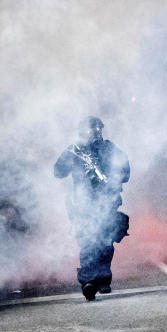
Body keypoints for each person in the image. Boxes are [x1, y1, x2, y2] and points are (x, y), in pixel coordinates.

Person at [54, 116, 131, 301]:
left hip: (107, 202)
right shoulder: (75, 151)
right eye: (92, 129)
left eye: (98, 129)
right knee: (88, 240)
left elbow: (126, 173)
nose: (96, 133)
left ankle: (103, 280)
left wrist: (113, 177)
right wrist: (69, 157)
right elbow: (58, 172)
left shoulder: (110, 149)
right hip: (83, 204)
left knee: (105, 242)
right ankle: (88, 281)